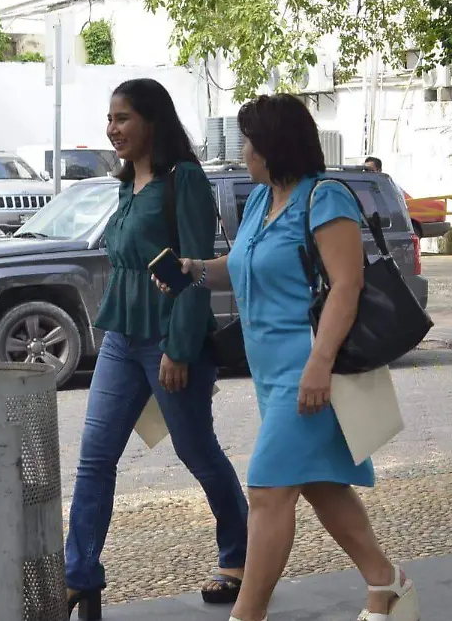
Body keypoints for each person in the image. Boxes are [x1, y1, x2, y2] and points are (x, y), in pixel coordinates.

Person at [156, 94, 419, 621]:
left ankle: (247, 615)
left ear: (272, 146)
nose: (243, 152)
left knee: (269, 489)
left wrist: (318, 365)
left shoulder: (324, 199)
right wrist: (192, 269)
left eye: (249, 142)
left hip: (310, 367)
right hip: (270, 371)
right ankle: (387, 585)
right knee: (322, 485)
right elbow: (241, 265)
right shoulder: (260, 200)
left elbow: (346, 286)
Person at [64, 78, 249, 619]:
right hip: (121, 337)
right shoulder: (127, 184)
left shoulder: (182, 179)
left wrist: (180, 346)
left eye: (123, 118)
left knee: (197, 452)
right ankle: (80, 576)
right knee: (94, 459)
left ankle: (238, 557)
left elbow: (194, 267)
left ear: (152, 121)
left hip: (170, 340)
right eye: (110, 118)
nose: (112, 128)